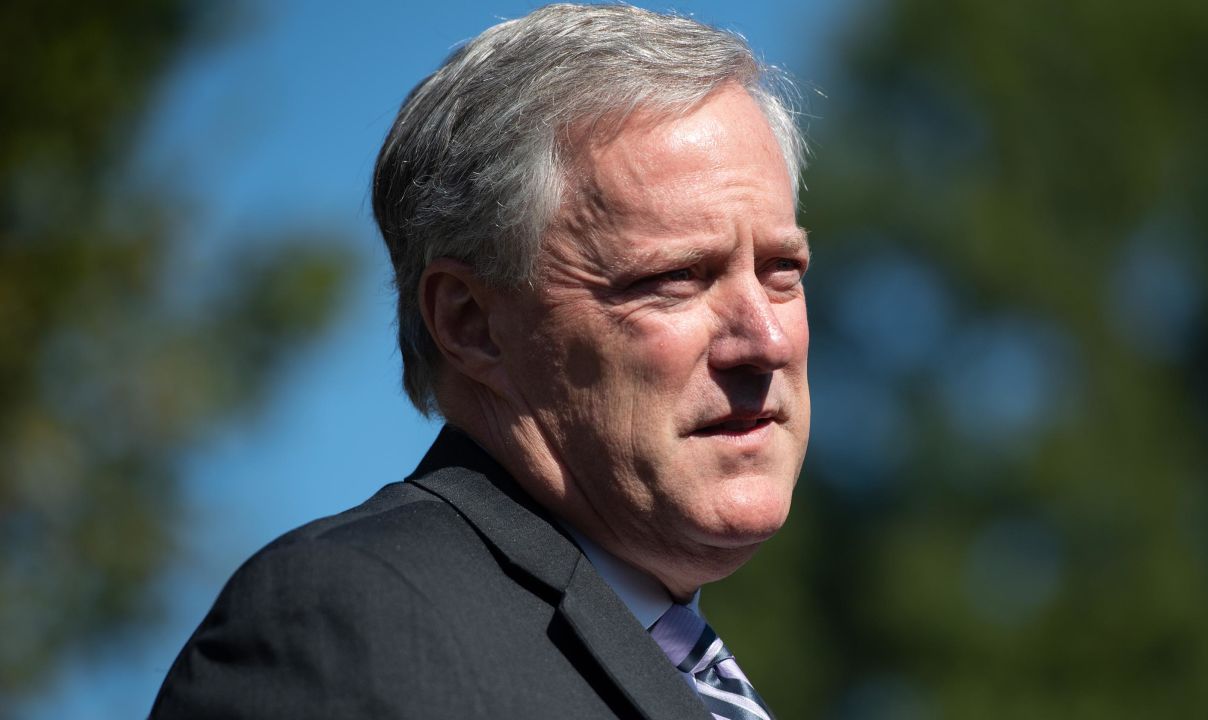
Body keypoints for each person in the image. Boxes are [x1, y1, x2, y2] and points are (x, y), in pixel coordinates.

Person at [150, 3, 810, 719]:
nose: (766, 342)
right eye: (673, 278)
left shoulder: (662, 653)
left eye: (782, 270)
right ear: (471, 325)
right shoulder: (350, 626)